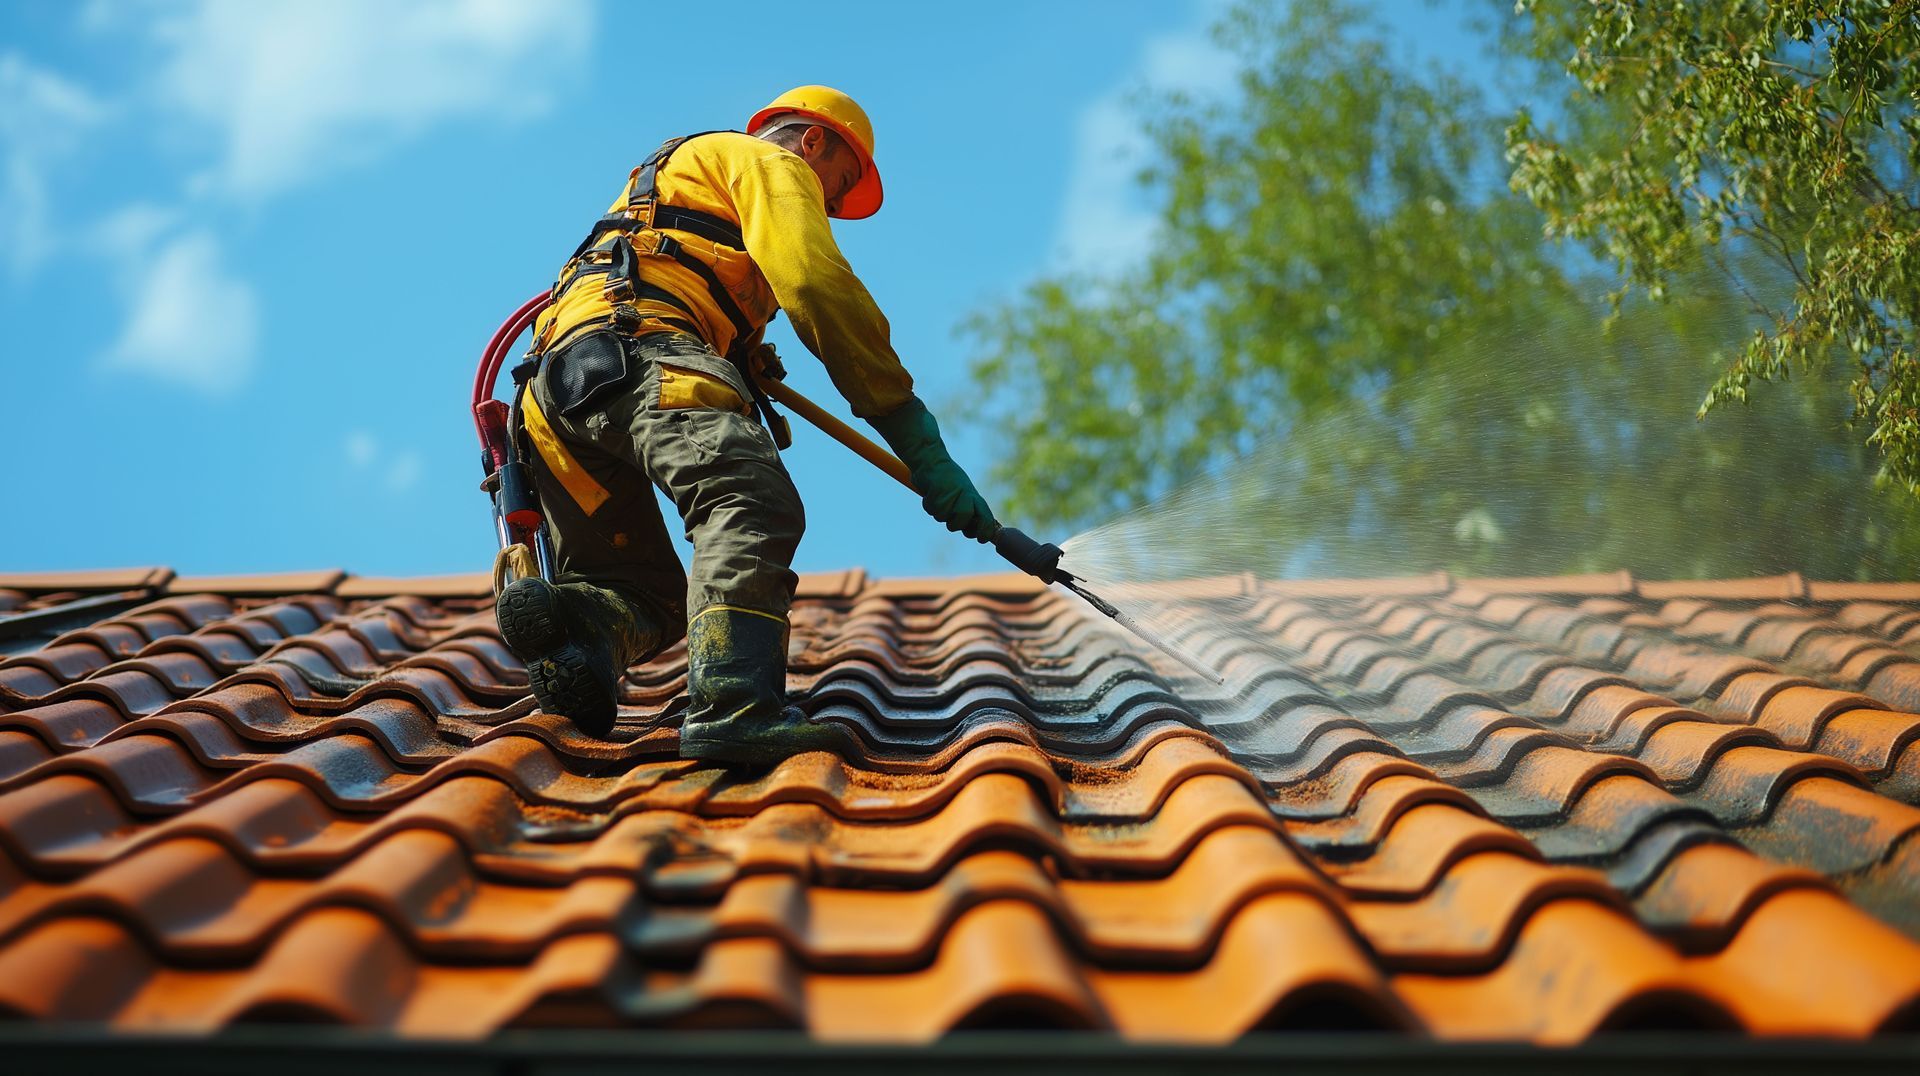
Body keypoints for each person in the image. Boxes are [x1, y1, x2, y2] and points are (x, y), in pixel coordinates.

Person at [494, 86, 996, 765]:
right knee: (749, 503)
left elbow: (684, 277)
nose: (825, 208)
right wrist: (916, 439)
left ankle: (582, 631)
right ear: (811, 142)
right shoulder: (771, 163)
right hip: (645, 358)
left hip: (552, 403)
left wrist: (743, 349)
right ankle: (736, 708)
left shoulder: (677, 186)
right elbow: (818, 287)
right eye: (835, 189)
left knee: (644, 594)